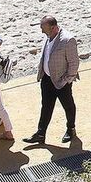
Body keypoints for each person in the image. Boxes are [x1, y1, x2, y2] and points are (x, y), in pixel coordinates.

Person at [28, 16, 79, 144]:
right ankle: (41, 133)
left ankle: (71, 129)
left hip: (61, 81)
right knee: (46, 106)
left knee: (68, 106)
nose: (41, 31)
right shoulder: (48, 36)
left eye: (43, 28)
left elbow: (74, 63)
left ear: (53, 27)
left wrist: (66, 80)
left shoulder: (68, 40)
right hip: (47, 79)